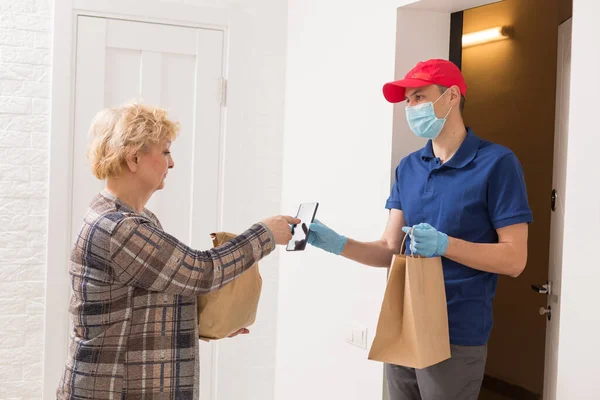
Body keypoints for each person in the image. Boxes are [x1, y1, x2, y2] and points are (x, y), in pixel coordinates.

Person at [307, 59, 532, 400]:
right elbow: (389, 247)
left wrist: (445, 245)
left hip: (455, 331)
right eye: (408, 100)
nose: (410, 107)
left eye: (419, 97)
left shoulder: (497, 163)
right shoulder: (409, 167)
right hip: (403, 320)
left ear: (452, 96)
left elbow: (515, 259)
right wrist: (338, 243)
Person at [57, 103, 299, 399]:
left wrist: (211, 320)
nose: (171, 164)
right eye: (165, 151)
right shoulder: (119, 228)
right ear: (134, 158)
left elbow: (156, 294)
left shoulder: (134, 218)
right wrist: (265, 234)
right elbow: (200, 271)